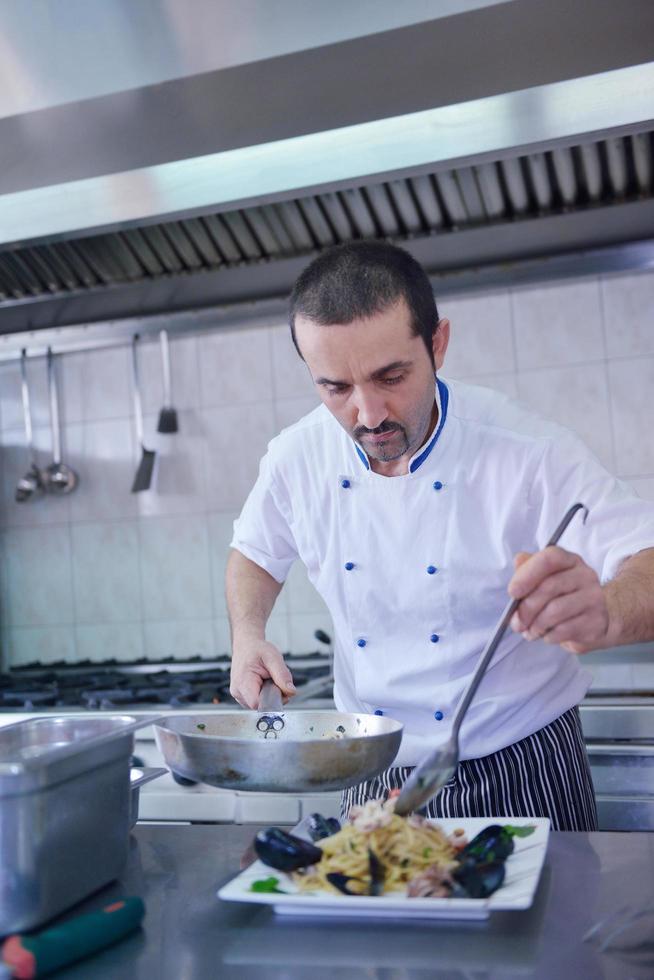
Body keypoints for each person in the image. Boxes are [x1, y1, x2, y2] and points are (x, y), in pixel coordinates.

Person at [226, 240, 654, 830]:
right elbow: (254, 552)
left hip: (521, 764)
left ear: (438, 344)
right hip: (372, 768)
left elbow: (645, 555)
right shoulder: (295, 457)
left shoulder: (525, 450)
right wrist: (248, 634)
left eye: (391, 376)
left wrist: (604, 612)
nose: (369, 413)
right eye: (336, 389)